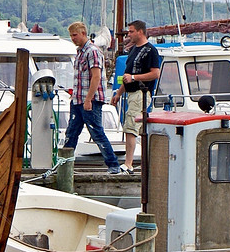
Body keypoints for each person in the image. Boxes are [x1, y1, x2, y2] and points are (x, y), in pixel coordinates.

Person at [64, 21, 122, 173]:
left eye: (75, 35)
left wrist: (89, 99)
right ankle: (64, 166)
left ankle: (113, 165)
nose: (72, 38)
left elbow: (95, 77)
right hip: (78, 99)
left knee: (96, 132)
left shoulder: (92, 51)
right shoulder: (80, 52)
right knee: (71, 133)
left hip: (89, 100)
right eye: (71, 35)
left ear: (83, 33)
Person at [111, 19, 161, 173]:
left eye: (131, 31)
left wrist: (135, 78)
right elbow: (127, 75)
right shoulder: (133, 50)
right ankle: (133, 161)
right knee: (131, 126)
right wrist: (118, 93)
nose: (129, 34)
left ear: (140, 31)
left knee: (131, 127)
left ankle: (128, 163)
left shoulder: (150, 50)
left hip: (141, 92)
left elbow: (155, 73)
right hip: (130, 92)